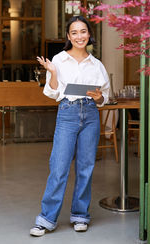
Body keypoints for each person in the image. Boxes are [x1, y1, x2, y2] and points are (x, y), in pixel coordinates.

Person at [30, 15, 110, 237]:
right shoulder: (58, 60)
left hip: (91, 115)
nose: (79, 36)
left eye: (83, 31)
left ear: (89, 34)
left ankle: (80, 215)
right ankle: (46, 219)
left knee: (85, 167)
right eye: (74, 32)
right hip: (68, 112)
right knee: (59, 166)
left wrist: (98, 98)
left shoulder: (97, 64)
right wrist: (53, 73)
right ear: (68, 36)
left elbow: (105, 97)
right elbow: (53, 92)